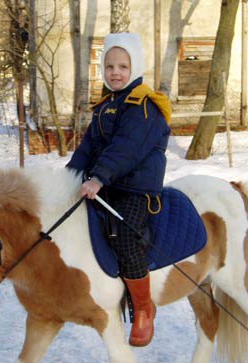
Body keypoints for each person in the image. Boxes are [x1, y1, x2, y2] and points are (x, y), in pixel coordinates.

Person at [66, 32, 171, 347]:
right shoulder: (104, 108)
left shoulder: (143, 106)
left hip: (136, 189)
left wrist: (98, 177)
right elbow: (88, 149)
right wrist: (67, 179)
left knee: (125, 235)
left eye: (123, 66)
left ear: (134, 67)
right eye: (109, 66)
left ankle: (143, 308)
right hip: (107, 184)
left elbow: (126, 149)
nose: (115, 72)